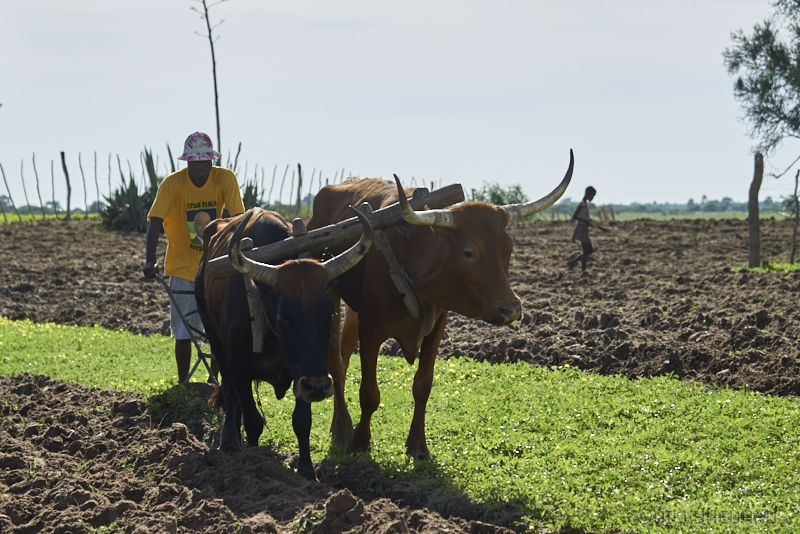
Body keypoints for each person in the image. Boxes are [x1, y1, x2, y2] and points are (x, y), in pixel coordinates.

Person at [142, 132, 245, 384]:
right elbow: (155, 221)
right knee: (183, 329)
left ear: (212, 160)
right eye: (195, 161)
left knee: (218, 327)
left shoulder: (225, 178)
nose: (200, 165)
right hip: (182, 266)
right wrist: (150, 260)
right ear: (187, 161)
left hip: (215, 266)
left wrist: (239, 253)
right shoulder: (172, 184)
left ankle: (214, 381)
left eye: (205, 160)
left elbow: (238, 219)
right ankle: (183, 381)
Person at [566, 186, 607, 272]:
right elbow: (574, 216)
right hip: (581, 228)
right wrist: (586, 222)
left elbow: (588, 219)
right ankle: (583, 271)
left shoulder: (585, 204)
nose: (593, 198)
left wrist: (600, 228)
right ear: (588, 194)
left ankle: (572, 262)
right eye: (592, 196)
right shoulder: (582, 204)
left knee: (589, 250)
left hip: (584, 229)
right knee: (585, 251)